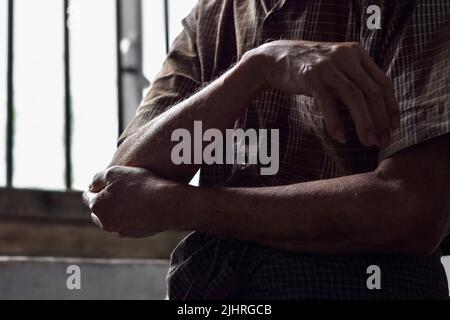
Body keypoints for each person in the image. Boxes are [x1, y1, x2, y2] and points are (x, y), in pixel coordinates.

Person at [83, 0, 450, 299]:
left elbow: (414, 209)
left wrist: (185, 205)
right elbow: (120, 191)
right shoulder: (212, 13)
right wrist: (255, 69)